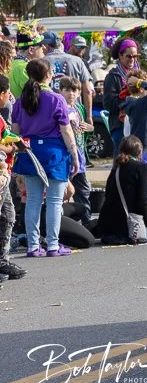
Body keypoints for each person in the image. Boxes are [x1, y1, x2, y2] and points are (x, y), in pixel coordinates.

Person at [11, 59, 80, 258]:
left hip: (30, 151)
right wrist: (74, 155)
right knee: (54, 201)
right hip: (54, 152)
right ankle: (52, 245)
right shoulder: (56, 99)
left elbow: (16, 132)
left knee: (32, 200)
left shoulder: (21, 100)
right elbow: (66, 131)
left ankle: (33, 246)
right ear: (48, 75)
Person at [96, 136, 147, 244]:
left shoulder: (117, 167)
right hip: (127, 227)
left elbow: (113, 191)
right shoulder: (141, 167)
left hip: (107, 227)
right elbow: (142, 200)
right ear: (139, 151)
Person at [0, 75, 26, 281]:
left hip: (4, 174)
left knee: (8, 216)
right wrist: (11, 147)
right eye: (8, 93)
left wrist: (17, 143)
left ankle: (2, 261)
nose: (10, 96)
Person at [58, 77, 93, 226]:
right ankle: (63, 221)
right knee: (64, 190)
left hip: (80, 154)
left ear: (79, 93)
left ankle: (86, 220)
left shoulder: (78, 109)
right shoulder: (61, 108)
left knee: (83, 190)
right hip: (66, 155)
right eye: (67, 90)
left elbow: (86, 129)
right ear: (60, 91)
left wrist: (90, 128)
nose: (71, 94)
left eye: (74, 90)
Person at [43, 31, 94, 129]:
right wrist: (89, 116)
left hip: (49, 114)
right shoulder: (77, 61)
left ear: (46, 46)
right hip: (75, 113)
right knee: (75, 142)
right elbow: (87, 90)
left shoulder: (41, 62)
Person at [102, 38, 141, 155]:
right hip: (120, 125)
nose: (132, 60)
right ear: (120, 55)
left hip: (138, 123)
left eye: (135, 56)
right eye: (129, 56)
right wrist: (127, 96)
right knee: (121, 159)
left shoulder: (140, 75)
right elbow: (108, 104)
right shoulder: (113, 76)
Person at [120, 72, 147, 151]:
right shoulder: (141, 104)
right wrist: (139, 82)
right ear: (142, 88)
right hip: (143, 146)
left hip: (136, 145)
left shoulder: (132, 102)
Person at [10, 27, 44, 98]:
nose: (44, 47)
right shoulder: (24, 68)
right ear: (31, 50)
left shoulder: (15, 63)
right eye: (40, 44)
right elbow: (41, 93)